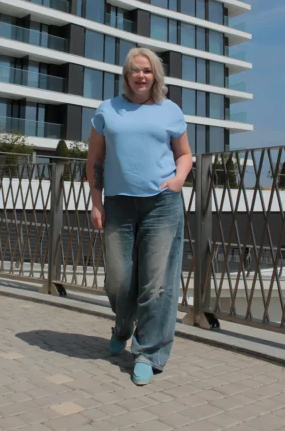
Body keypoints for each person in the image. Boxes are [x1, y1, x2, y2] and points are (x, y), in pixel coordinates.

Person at [86, 47, 192, 386]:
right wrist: (96, 202)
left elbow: (185, 154)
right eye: (135, 70)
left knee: (156, 283)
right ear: (126, 75)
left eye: (147, 70)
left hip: (162, 204)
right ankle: (122, 326)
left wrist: (177, 180)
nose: (141, 75)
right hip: (119, 204)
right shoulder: (108, 110)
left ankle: (148, 353)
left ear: (155, 75)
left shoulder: (170, 110)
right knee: (119, 279)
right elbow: (95, 160)